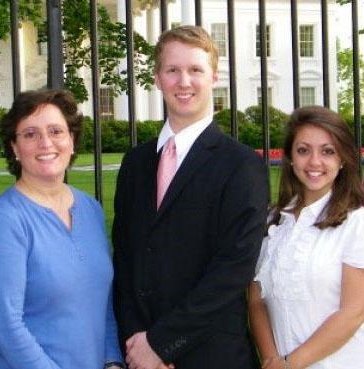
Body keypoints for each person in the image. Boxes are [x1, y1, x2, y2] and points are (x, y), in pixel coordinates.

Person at [112, 25, 269, 369]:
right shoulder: (135, 163)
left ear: (213, 76)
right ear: (157, 78)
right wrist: (138, 344)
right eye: (173, 70)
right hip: (140, 354)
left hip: (211, 355)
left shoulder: (241, 165)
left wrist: (162, 344)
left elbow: (233, 270)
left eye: (195, 70)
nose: (184, 81)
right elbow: (124, 260)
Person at [0, 89, 124, 369]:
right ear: (15, 148)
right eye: (30, 134)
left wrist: (113, 360)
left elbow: (103, 305)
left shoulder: (91, 210)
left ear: (72, 140)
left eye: (56, 131)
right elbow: (5, 326)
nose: (45, 143)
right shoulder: (5, 220)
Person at [248, 106, 364, 369]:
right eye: (303, 150)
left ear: (343, 158)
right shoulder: (272, 222)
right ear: (289, 157)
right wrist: (270, 360)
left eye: (327, 151)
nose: (314, 162)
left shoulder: (357, 222)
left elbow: (353, 311)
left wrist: (290, 364)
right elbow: (256, 300)